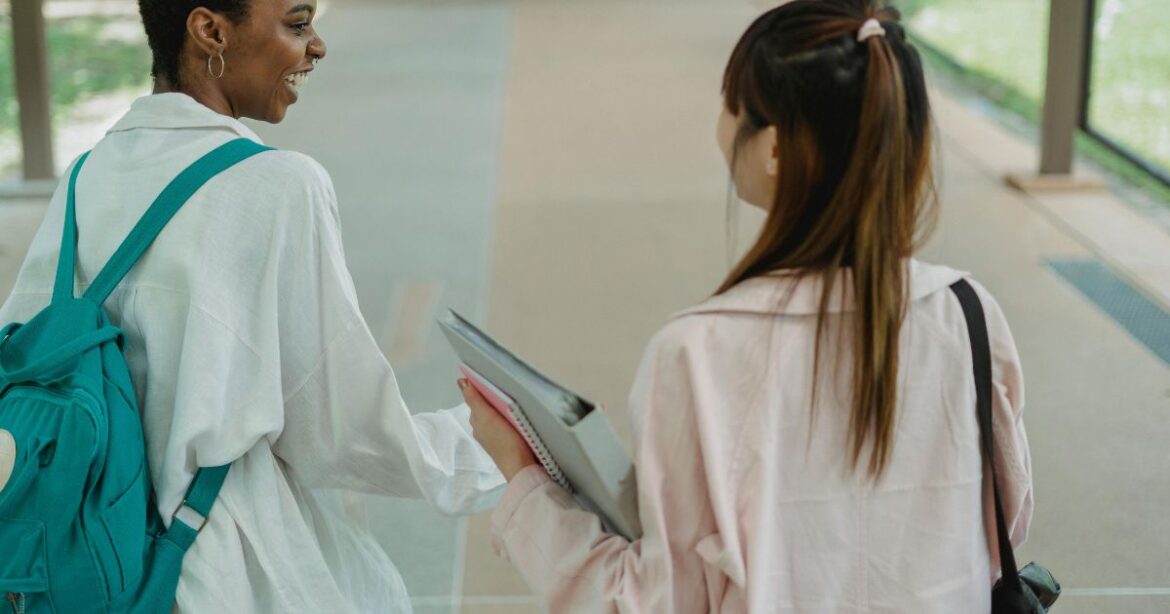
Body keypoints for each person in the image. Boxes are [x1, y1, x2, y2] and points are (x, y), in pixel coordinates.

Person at [459, 1, 1034, 612]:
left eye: (731, 105)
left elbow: (655, 603)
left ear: (775, 148)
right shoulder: (969, 314)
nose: (722, 124)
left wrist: (523, 480)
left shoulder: (698, 354)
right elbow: (1003, 523)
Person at [0, 0, 504, 611]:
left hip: (83, 569)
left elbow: (23, 360)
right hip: (223, 568)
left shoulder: (85, 177)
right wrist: (491, 447)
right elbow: (341, 429)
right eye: (297, 23)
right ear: (210, 30)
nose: (317, 46)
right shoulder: (280, 185)